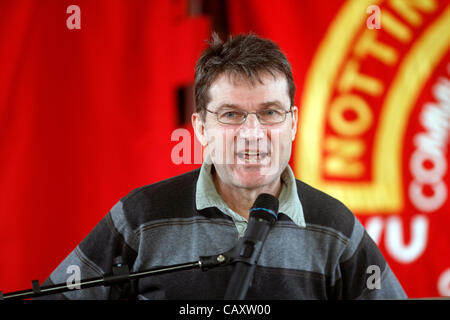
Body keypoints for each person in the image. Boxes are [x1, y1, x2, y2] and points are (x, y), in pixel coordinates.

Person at [38, 33, 407, 300]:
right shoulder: (142, 216)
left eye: (270, 113)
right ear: (200, 128)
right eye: (231, 114)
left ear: (293, 123)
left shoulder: (335, 226)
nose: (251, 133)